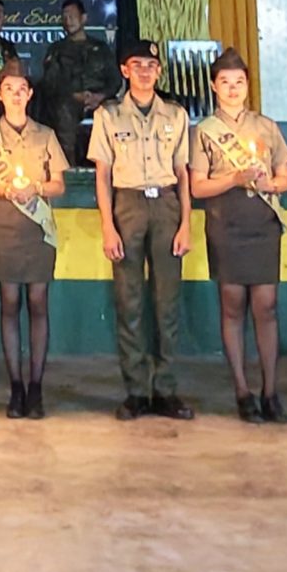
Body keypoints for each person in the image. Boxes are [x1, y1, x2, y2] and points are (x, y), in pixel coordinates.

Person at [190, 46, 287, 424]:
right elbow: (198, 188)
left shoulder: (266, 127)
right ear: (214, 87)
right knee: (232, 305)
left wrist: (270, 183)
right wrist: (234, 177)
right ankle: (241, 391)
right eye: (225, 82)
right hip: (225, 223)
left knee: (266, 306)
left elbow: (285, 178)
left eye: (239, 82)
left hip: (263, 224)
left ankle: (270, 391)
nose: (233, 89)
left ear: (248, 86)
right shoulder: (204, 132)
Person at [94, 38, 193, 420]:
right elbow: (102, 174)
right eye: (136, 64)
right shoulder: (109, 116)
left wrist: (185, 223)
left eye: (151, 65)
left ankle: (165, 389)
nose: (145, 71)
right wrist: (108, 225)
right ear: (124, 70)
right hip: (128, 204)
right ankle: (136, 390)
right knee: (130, 301)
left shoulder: (175, 115)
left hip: (166, 203)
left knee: (167, 303)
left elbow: (184, 172)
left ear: (159, 71)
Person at [0, 59, 69, 420]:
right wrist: (4, 189)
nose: (15, 95)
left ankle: (36, 387)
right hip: (4, 224)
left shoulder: (45, 134)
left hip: (37, 229)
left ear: (29, 94)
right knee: (9, 303)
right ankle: (15, 387)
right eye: (8, 89)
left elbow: (59, 184)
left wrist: (37, 187)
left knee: (38, 302)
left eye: (21, 89)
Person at [33, 0, 115, 154]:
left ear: (83, 18)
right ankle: (68, 170)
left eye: (72, 16)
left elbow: (115, 80)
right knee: (62, 111)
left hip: (100, 100)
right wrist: (74, 95)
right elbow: (50, 83)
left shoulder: (101, 48)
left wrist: (100, 96)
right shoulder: (57, 49)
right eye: (64, 17)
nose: (68, 20)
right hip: (68, 101)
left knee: (117, 112)